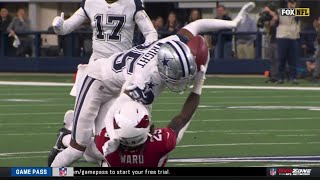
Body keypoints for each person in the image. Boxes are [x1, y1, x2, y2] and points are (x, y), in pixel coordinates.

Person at [48, 2, 255, 167]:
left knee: (98, 155)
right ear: (166, 70)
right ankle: (63, 144)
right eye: (178, 76)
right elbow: (120, 106)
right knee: (78, 148)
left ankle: (70, 132)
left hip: (118, 81)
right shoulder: (144, 80)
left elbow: (198, 24)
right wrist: (113, 135)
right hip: (96, 79)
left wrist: (233, 23)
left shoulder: (175, 42)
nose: (181, 81)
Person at [56, 63, 206, 167]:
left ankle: (66, 136)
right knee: (93, 154)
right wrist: (199, 84)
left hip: (111, 156)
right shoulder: (161, 144)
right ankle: (67, 135)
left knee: (88, 152)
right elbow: (183, 117)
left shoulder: (107, 141)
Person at [276, 0, 300, 84]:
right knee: (281, 58)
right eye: (290, 3)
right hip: (282, 37)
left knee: (293, 59)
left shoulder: (297, 12)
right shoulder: (280, 11)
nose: (292, 4)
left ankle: (293, 77)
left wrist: (295, 9)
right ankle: (280, 77)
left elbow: (306, 12)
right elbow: (279, 15)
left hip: (293, 37)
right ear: (287, 3)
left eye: (293, 3)